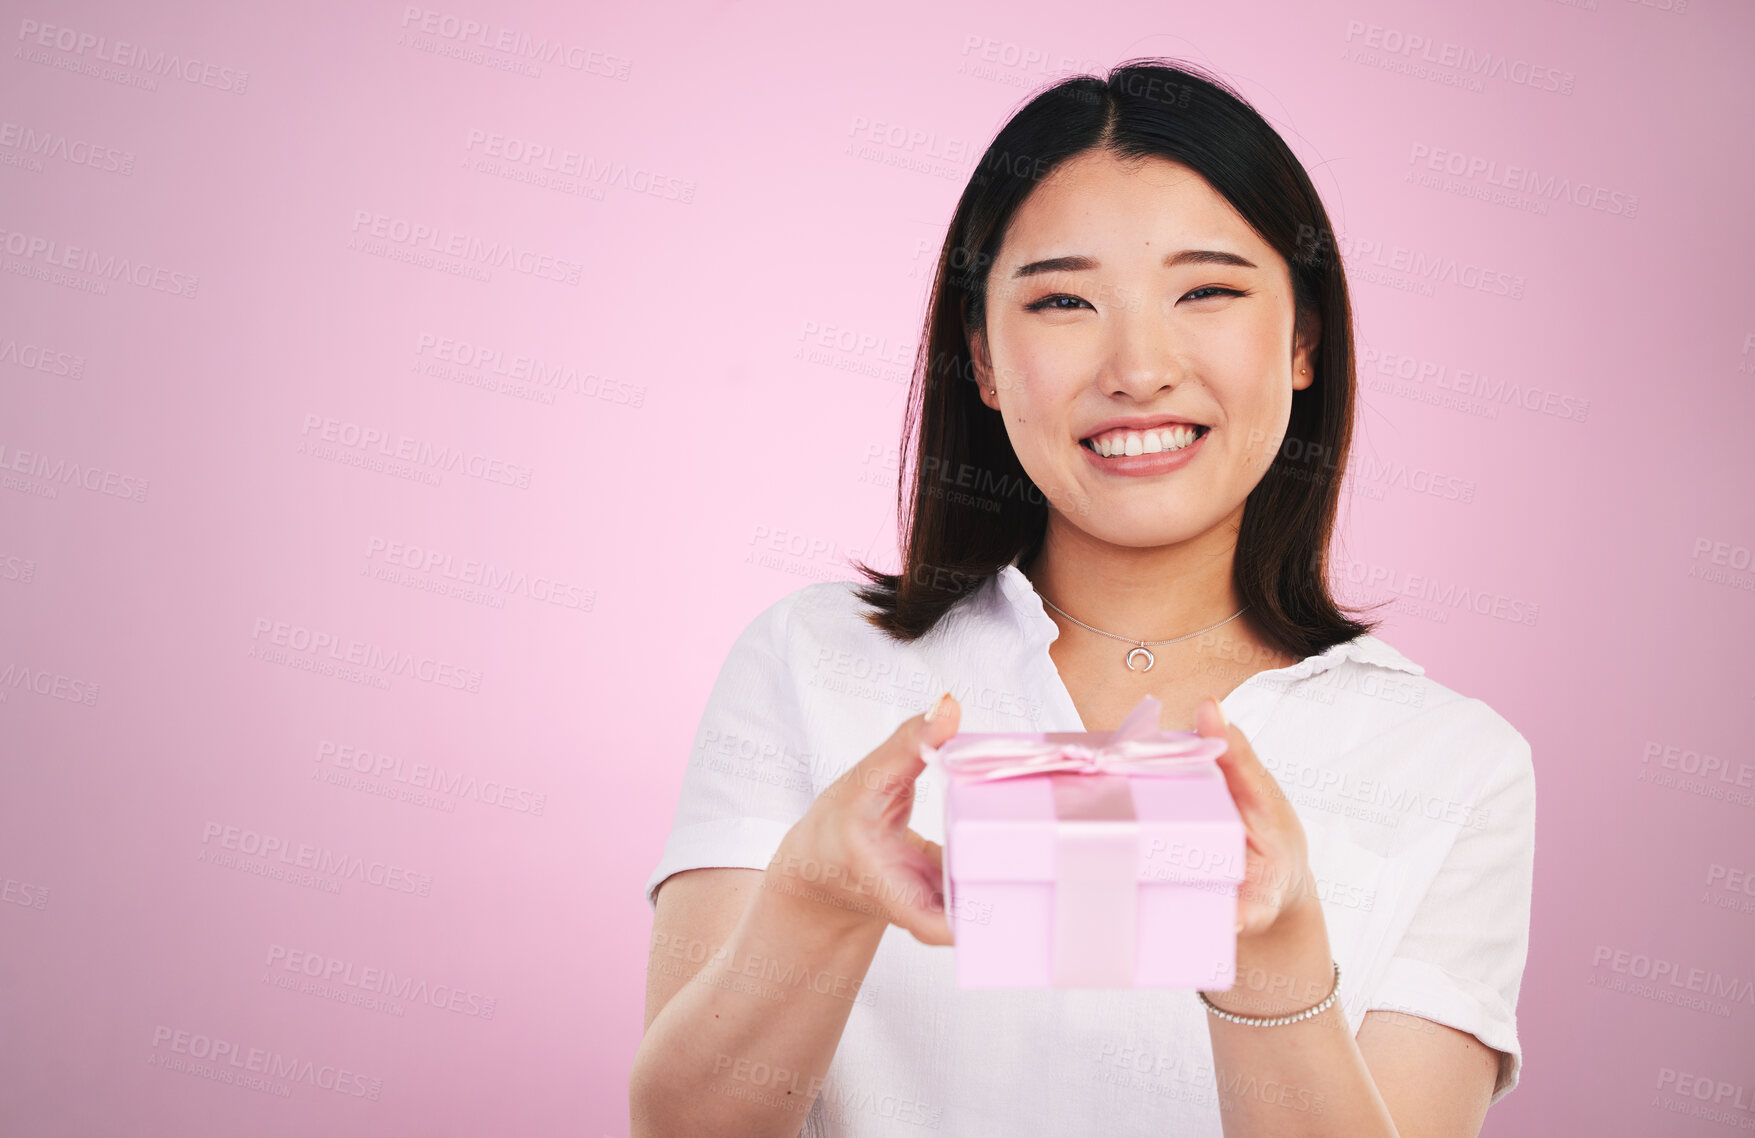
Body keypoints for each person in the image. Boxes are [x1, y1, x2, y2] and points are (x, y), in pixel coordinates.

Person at [629, 57, 1536, 1138]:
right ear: (982, 355)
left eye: (1207, 290)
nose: (1139, 367)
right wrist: (818, 894)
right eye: (1063, 300)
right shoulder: (811, 662)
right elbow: (684, 1130)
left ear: (1302, 338)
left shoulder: (1450, 763)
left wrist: (1277, 966)